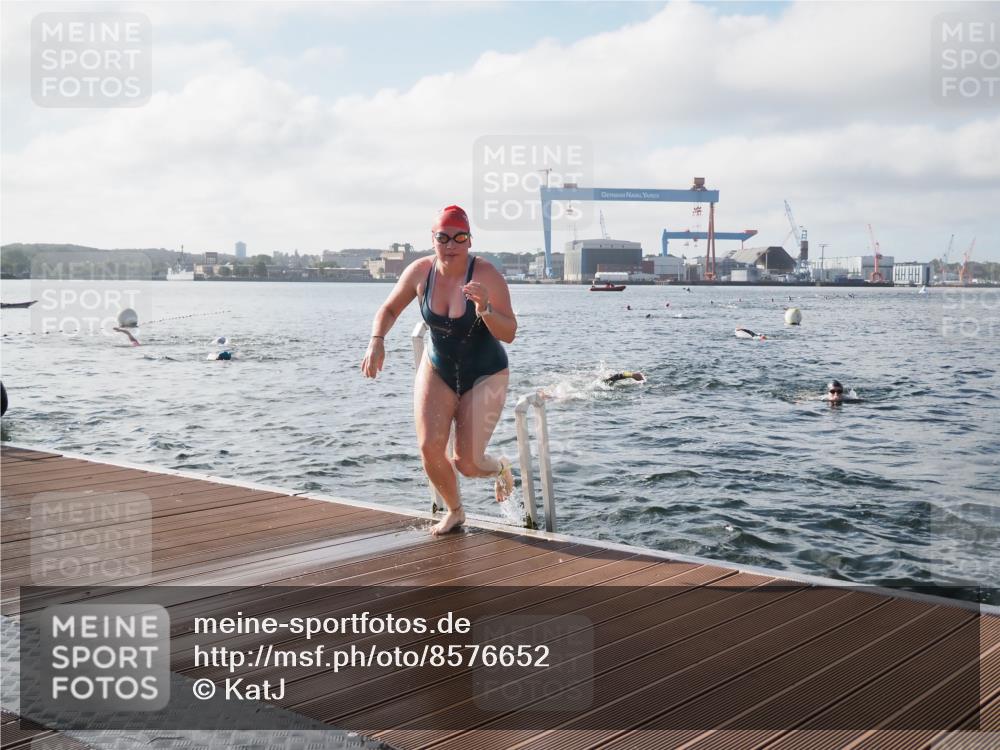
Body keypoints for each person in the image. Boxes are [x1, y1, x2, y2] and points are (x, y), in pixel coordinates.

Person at [361, 205, 517, 535]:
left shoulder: (486, 274)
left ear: (469, 240)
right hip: (438, 367)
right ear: (432, 239)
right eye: (443, 237)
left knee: (467, 463)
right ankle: (455, 511)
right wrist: (377, 340)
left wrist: (485, 308)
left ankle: (501, 467)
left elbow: (509, 333)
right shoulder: (420, 272)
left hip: (485, 371)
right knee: (429, 448)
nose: (451, 245)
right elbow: (389, 308)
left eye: (459, 237)